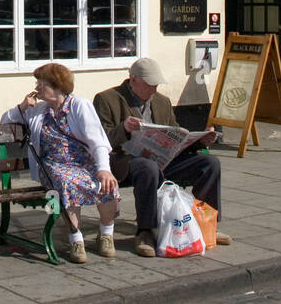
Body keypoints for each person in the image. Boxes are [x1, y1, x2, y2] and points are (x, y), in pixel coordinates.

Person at [93, 57, 231, 256]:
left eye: (156, 85)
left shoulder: (162, 102)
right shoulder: (107, 99)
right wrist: (123, 128)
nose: (154, 90)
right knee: (148, 167)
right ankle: (146, 231)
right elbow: (100, 139)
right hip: (127, 163)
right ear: (133, 80)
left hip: (164, 161)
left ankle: (205, 223)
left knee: (210, 163)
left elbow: (176, 136)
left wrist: (200, 141)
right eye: (149, 85)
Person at [1, 63, 120, 263]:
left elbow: (97, 140)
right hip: (52, 165)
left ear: (57, 86)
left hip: (83, 163)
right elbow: (4, 123)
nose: (37, 88)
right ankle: (76, 238)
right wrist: (22, 107)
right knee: (64, 182)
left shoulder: (79, 105)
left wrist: (103, 169)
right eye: (37, 83)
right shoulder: (37, 110)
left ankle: (106, 235)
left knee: (107, 184)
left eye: (42, 84)